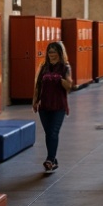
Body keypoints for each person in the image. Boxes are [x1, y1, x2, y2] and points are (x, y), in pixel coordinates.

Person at [33, 40, 73, 173]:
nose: (51, 54)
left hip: (59, 106)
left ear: (60, 53)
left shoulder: (65, 67)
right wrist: (35, 100)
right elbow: (38, 85)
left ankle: (50, 159)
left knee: (53, 132)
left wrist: (59, 79)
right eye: (49, 52)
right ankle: (53, 160)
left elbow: (69, 86)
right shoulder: (43, 66)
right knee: (48, 133)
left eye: (54, 52)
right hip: (44, 105)